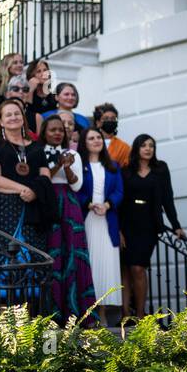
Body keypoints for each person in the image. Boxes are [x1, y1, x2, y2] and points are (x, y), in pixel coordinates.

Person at [0, 98, 48, 306]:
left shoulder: (37, 147)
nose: (13, 117)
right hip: (3, 211)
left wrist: (35, 192)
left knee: (32, 259)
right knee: (5, 257)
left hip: (32, 210)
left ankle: (32, 315)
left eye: (16, 113)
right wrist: (24, 189)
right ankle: (2, 312)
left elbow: (45, 177)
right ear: (0, 121)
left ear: (23, 118)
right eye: (7, 114)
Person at [34, 114, 97, 325]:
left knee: (73, 254)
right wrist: (57, 165)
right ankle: (53, 314)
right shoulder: (38, 152)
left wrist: (67, 166)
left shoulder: (73, 154)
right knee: (53, 254)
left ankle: (77, 312)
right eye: (52, 130)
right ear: (44, 132)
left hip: (69, 206)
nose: (57, 133)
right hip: (48, 204)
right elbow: (43, 179)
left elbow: (77, 186)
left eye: (60, 130)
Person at [118, 134, 184, 321]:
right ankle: (125, 314)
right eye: (144, 145)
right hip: (127, 223)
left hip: (149, 224)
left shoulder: (160, 169)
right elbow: (120, 202)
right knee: (126, 269)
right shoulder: (126, 171)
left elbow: (167, 198)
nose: (148, 149)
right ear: (136, 148)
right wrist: (118, 229)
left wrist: (176, 225)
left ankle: (139, 314)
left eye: (151, 146)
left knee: (138, 268)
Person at [79, 127, 124, 327]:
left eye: (98, 137)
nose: (96, 140)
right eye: (91, 138)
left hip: (108, 220)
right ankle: (91, 312)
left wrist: (107, 205)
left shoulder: (113, 166)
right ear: (84, 142)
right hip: (88, 219)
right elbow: (76, 189)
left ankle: (104, 313)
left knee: (107, 265)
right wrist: (89, 204)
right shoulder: (79, 165)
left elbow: (119, 191)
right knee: (91, 264)